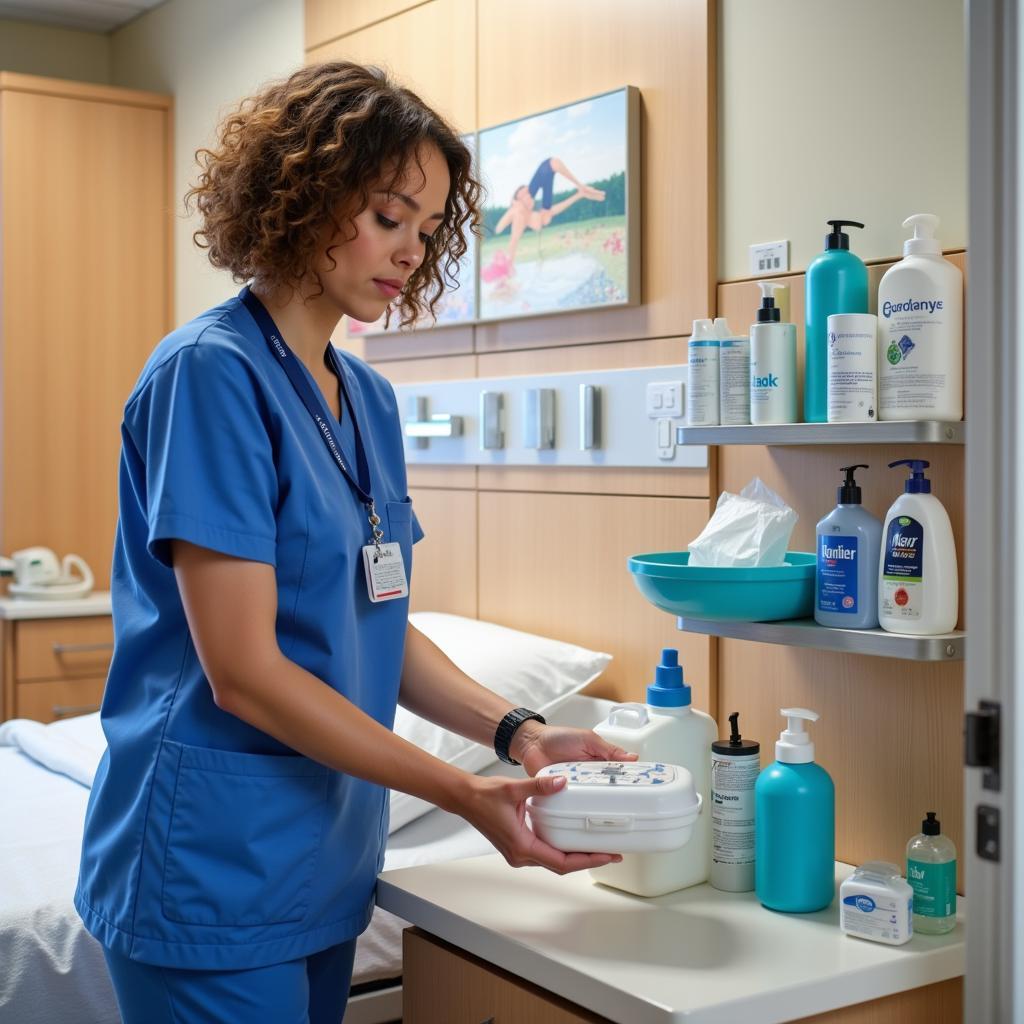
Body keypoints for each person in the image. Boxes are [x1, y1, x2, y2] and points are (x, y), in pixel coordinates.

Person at [74, 63, 634, 1024]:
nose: (411, 250)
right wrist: (463, 793)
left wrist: (518, 731)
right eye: (388, 215)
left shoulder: (366, 398)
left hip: (325, 859)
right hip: (211, 862)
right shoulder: (209, 377)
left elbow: (379, 619)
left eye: (427, 229)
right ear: (303, 192)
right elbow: (243, 672)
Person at [484, 156, 606, 280]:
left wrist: (580, 190)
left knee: (545, 212)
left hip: (543, 178)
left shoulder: (534, 208)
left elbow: (553, 163)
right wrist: (579, 195)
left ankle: (581, 188)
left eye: (528, 192)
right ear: (519, 201)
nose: (529, 195)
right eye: (524, 195)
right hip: (521, 213)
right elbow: (509, 236)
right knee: (543, 216)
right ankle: (581, 189)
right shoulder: (521, 214)